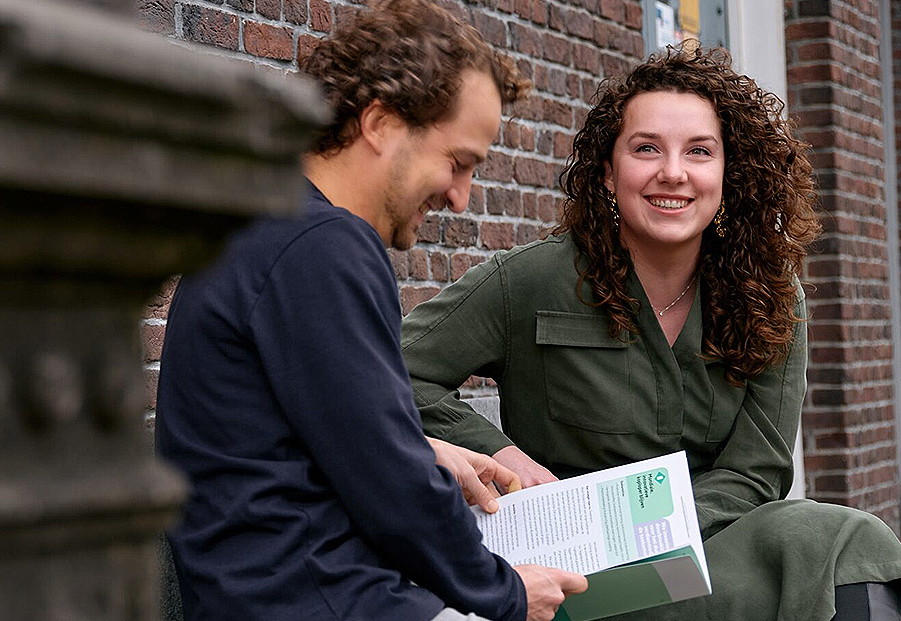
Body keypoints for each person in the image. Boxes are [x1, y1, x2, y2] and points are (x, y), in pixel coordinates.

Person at [401, 45, 901, 621]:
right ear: (609, 172)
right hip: (575, 565)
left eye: (699, 151)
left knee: (847, 543)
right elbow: (390, 372)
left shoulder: (772, 298)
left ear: (729, 174)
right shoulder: (529, 282)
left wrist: (662, 530)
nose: (673, 172)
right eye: (646, 148)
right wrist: (498, 454)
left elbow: (756, 471)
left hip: (712, 541)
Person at [154, 0, 589, 619]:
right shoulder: (323, 245)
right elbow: (392, 487)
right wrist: (506, 592)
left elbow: (309, 436)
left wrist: (422, 448)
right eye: (458, 163)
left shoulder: (267, 225)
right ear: (380, 122)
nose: (461, 198)